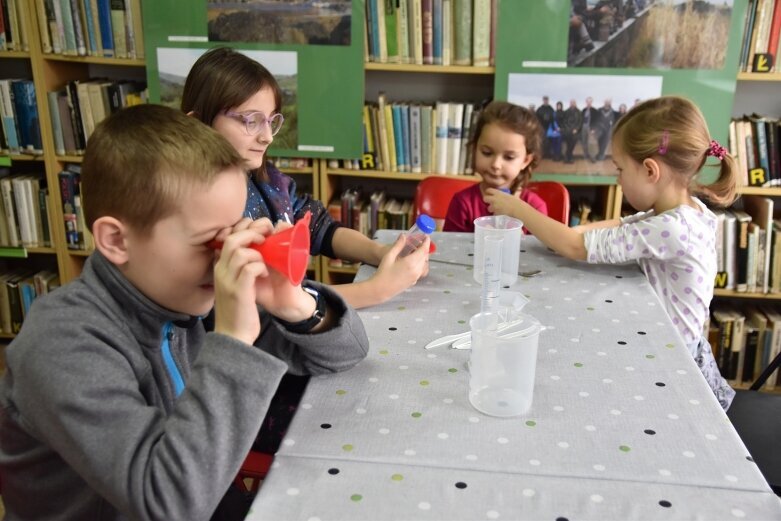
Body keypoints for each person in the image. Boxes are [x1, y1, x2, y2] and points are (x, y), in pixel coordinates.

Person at [0, 105, 370, 520]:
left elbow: (347, 353)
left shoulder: (184, 298)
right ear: (117, 240)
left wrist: (294, 304)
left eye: (235, 232)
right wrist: (232, 342)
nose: (228, 258)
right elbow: (169, 504)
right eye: (211, 243)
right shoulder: (60, 344)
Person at [484, 96, 738, 410]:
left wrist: (520, 210)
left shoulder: (672, 228)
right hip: (672, 345)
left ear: (649, 170)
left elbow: (577, 247)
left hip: (674, 364)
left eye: (619, 169)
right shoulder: (685, 211)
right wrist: (563, 234)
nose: (617, 179)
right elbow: (615, 226)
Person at [181, 47, 429, 311]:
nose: (267, 137)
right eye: (251, 121)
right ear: (198, 125)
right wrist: (378, 289)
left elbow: (321, 229)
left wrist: (381, 253)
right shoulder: (202, 216)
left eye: (271, 121)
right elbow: (270, 305)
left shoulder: (265, 180)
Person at [443, 101, 547, 233]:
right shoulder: (462, 203)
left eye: (509, 157)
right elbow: (452, 247)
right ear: (475, 149)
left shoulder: (535, 207)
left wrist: (519, 243)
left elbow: (539, 251)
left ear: (525, 161)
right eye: (487, 153)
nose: (496, 165)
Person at [561, 99, 583, 164]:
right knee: (568, 142)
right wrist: (568, 129)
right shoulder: (566, 112)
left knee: (573, 142)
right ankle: (569, 157)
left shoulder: (579, 112)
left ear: (575, 104)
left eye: (574, 103)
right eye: (571, 103)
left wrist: (576, 129)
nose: (572, 104)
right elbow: (564, 122)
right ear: (570, 104)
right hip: (567, 131)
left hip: (576, 131)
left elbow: (580, 122)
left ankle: (568, 156)